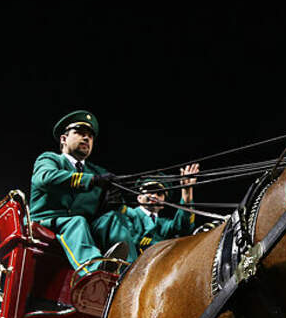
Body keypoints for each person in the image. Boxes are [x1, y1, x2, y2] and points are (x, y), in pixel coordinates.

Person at [29, 110, 135, 276]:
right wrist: (91, 180)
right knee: (77, 222)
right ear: (64, 139)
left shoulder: (97, 171)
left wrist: (114, 200)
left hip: (83, 226)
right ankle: (94, 273)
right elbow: (45, 178)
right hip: (49, 221)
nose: (86, 138)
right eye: (79, 133)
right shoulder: (50, 159)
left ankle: (131, 271)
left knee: (113, 219)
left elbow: (106, 210)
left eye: (90, 136)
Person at [123, 164, 199, 253]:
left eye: (159, 194)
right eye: (150, 191)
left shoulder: (164, 224)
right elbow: (131, 241)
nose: (154, 196)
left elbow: (184, 227)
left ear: (163, 204)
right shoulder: (127, 213)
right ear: (139, 198)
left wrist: (187, 191)